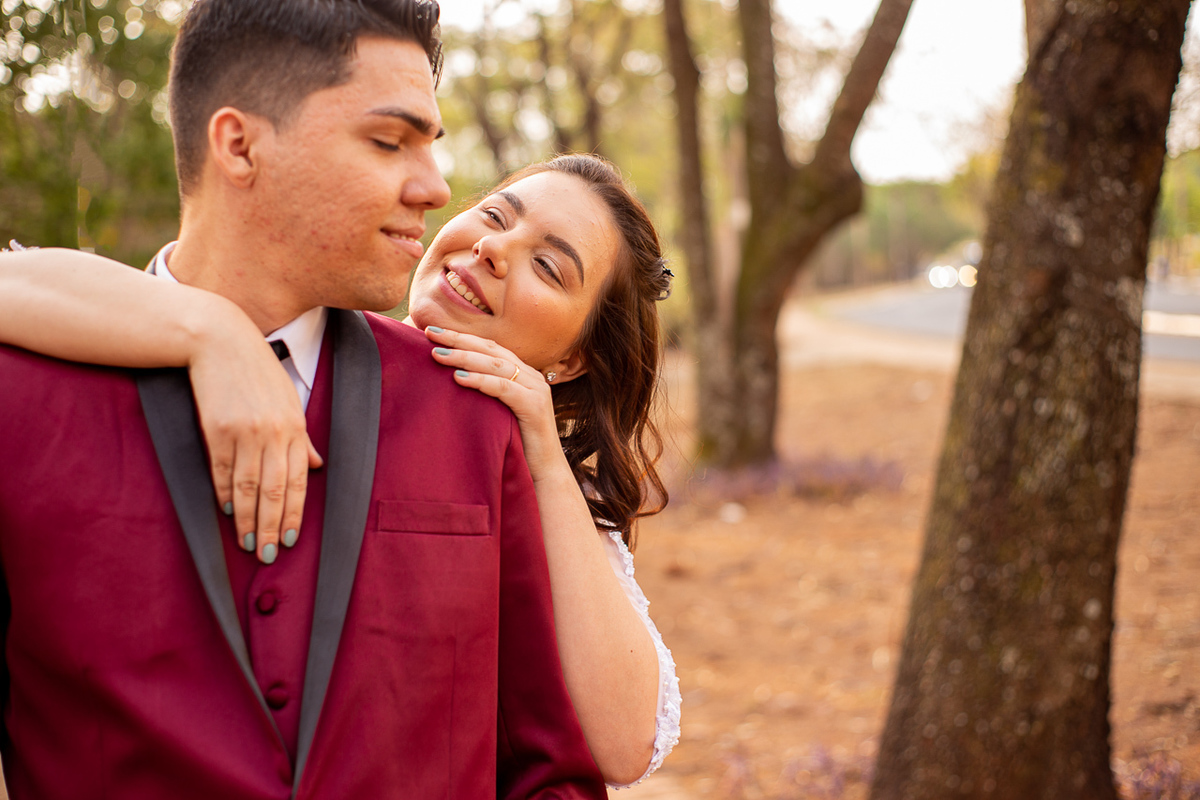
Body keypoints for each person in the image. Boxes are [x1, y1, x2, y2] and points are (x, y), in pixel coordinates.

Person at [0, 0, 609, 797]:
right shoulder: (21, 400)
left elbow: (548, 771)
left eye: (432, 146)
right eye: (389, 142)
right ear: (240, 145)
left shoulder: (470, 409)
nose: (436, 188)